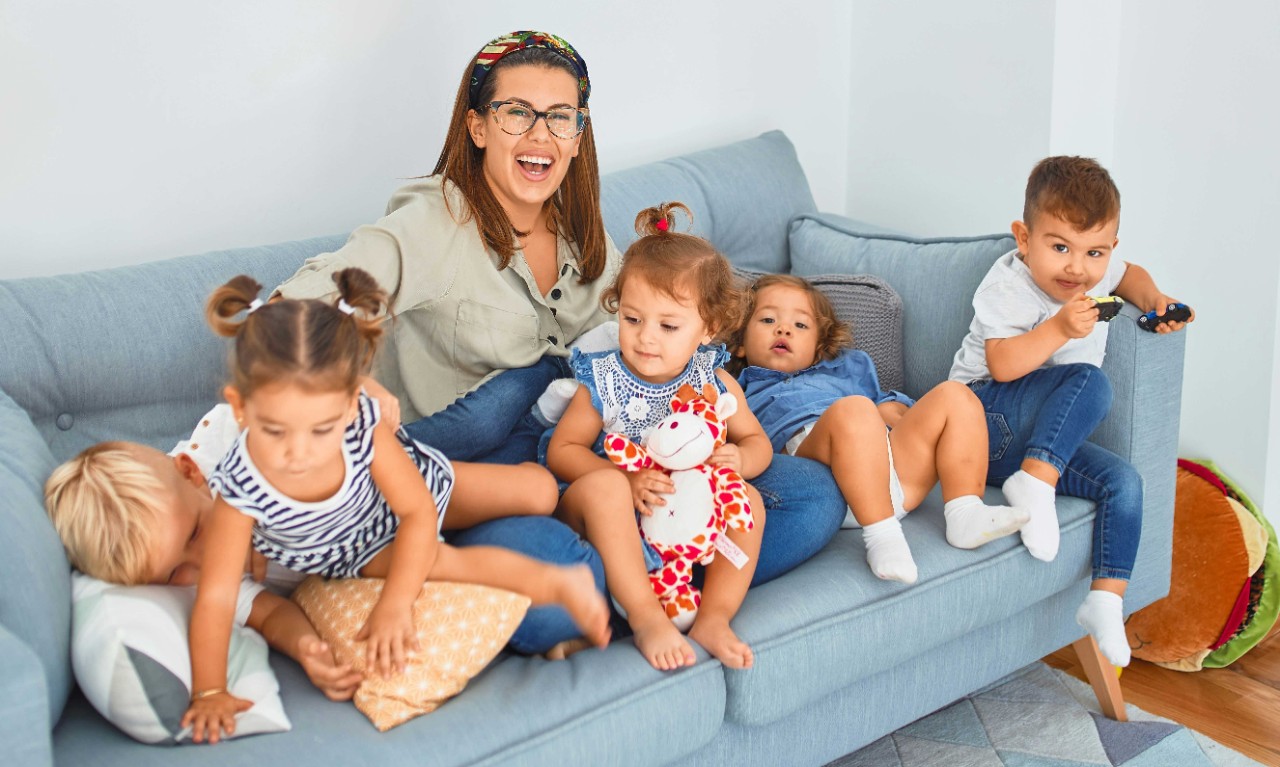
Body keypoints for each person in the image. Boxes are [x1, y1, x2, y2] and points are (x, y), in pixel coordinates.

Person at [271, 30, 848, 645]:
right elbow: (286, 314)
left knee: (812, 495)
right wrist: (353, 386)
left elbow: (663, 325)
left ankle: (649, 578)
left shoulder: (582, 228)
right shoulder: (431, 223)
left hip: (597, 459)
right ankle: (639, 584)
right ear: (478, 127)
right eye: (517, 112)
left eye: (559, 117)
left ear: (578, 134)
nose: (540, 135)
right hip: (477, 476)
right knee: (560, 593)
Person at [184, 269, 609, 743]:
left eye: (321, 430)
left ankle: (542, 449)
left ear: (351, 406)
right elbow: (216, 597)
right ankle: (557, 582)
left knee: (540, 492)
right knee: (445, 563)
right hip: (359, 553)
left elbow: (417, 512)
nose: (298, 453)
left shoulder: (362, 428)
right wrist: (208, 690)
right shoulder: (238, 492)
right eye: (275, 430)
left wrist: (396, 602)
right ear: (240, 408)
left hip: (412, 497)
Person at [948, 155, 1194, 666]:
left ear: (1110, 249)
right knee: (1089, 380)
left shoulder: (1096, 276)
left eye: (1094, 252)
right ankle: (1035, 484)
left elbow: (1131, 276)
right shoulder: (1008, 284)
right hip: (978, 423)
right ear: (1024, 238)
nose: (1077, 268)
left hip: (1035, 442)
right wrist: (1058, 328)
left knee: (1124, 482)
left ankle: (1105, 600)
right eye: (1059, 247)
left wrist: (1154, 299)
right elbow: (1002, 365)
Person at [546, 202, 771, 672]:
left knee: (748, 500)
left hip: (678, 515)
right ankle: (646, 617)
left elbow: (756, 441)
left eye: (668, 326)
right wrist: (624, 480)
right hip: (603, 511)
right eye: (632, 319)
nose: (646, 338)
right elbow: (561, 451)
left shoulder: (712, 381)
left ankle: (714, 617)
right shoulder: (604, 380)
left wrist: (740, 460)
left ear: (708, 329)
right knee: (606, 488)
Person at [728, 274, 1029, 585]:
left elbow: (886, 403)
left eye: (801, 325)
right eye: (768, 320)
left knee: (955, 394)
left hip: (891, 474)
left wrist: (893, 408)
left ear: (818, 348)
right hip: (821, 482)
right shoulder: (735, 389)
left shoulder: (847, 371)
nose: (783, 329)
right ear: (740, 344)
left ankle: (965, 512)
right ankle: (883, 537)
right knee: (854, 410)